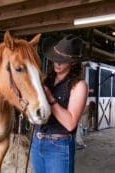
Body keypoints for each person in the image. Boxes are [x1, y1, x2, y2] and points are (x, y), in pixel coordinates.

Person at [30, 34, 88, 173]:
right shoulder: (46, 80)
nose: (57, 63)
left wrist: (50, 97)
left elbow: (70, 123)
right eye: (56, 58)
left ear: (73, 62)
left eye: (63, 60)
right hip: (37, 142)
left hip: (59, 146)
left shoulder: (79, 86)